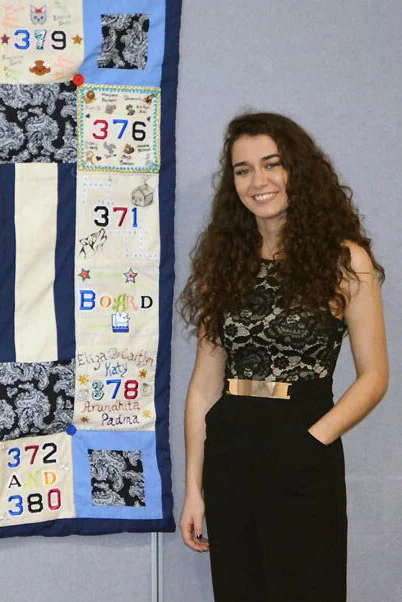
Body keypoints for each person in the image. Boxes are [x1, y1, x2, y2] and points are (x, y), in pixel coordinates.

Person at [177, 112, 388, 601]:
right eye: (243, 170)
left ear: (298, 170)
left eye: (272, 164)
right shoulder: (224, 266)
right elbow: (204, 386)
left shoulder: (344, 261)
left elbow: (375, 376)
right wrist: (194, 489)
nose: (259, 181)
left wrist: (312, 441)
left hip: (302, 440)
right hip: (230, 449)